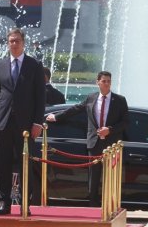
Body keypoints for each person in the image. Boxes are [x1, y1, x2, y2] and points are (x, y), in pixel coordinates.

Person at [45, 71, 128, 207]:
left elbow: (125, 122)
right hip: (94, 142)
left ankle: (110, 205)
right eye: (104, 81)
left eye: (109, 81)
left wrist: (110, 130)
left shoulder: (119, 100)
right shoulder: (91, 98)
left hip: (111, 145)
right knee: (93, 176)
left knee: (111, 175)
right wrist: (56, 117)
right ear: (98, 82)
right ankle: (93, 204)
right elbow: (75, 109)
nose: (107, 84)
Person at [0, 28, 45, 215]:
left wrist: (37, 123)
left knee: (25, 164)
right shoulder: (0, 65)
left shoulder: (34, 65)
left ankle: (24, 203)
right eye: (11, 41)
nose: (14, 44)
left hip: (26, 125)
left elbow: (40, 97)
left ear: (23, 42)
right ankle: (4, 202)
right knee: (2, 163)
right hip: (3, 122)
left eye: (17, 41)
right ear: (7, 43)